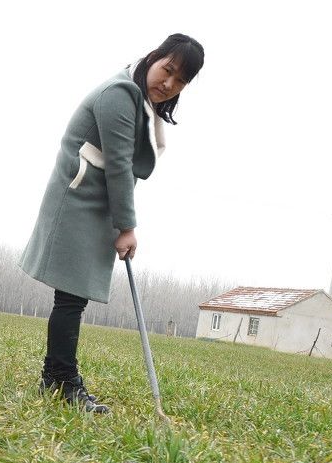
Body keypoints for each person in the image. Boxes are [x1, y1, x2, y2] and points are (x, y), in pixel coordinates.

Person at [19, 34, 204, 414]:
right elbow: (119, 165)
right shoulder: (120, 95)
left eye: (180, 81)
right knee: (70, 295)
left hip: (93, 199)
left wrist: (120, 222)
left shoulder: (139, 99)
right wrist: (127, 226)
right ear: (154, 57)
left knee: (73, 296)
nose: (168, 84)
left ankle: (56, 378)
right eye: (167, 70)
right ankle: (60, 381)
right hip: (77, 198)